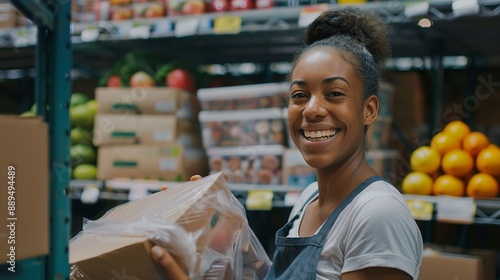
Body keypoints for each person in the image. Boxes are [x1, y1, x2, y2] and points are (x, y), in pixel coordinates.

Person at [151, 6, 423, 279]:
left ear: (370, 110)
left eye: (335, 93)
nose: (311, 109)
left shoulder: (377, 214)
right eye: (300, 95)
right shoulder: (308, 200)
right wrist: (228, 240)